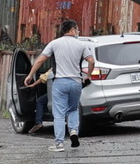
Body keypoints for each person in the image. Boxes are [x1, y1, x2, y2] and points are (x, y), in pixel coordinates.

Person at [26, 19, 95, 150]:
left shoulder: (54, 44)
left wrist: (30, 75)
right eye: (77, 29)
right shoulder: (81, 45)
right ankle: (74, 131)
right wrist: (89, 75)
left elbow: (41, 60)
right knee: (73, 109)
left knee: (59, 113)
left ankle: (59, 143)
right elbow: (91, 61)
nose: (78, 31)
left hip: (60, 82)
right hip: (76, 82)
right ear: (72, 30)